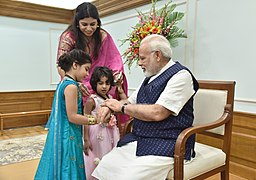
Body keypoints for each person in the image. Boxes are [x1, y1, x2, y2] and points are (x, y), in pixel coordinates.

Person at [92, 34, 199, 180]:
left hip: (169, 142)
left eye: (142, 58)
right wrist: (109, 107)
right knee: (106, 165)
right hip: (142, 138)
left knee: (128, 176)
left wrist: (121, 108)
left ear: (157, 55)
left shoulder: (181, 76)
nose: (140, 63)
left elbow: (158, 112)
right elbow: (129, 101)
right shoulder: (149, 78)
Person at [35, 49, 98, 180]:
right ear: (75, 65)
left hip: (65, 132)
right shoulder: (72, 87)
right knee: (68, 166)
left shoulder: (64, 83)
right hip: (68, 134)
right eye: (86, 69)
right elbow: (73, 116)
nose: (87, 74)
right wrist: (95, 120)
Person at [56, 2, 128, 115]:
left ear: (98, 23)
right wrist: (75, 83)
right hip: (76, 82)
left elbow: (114, 61)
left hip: (98, 82)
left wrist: (116, 76)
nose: (89, 29)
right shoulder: (68, 37)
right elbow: (61, 65)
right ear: (77, 23)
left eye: (93, 24)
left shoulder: (103, 36)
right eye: (84, 24)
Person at [83, 66, 127, 180]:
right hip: (97, 134)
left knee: (110, 155)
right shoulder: (92, 100)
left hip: (111, 133)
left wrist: (120, 89)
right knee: (98, 156)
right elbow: (85, 120)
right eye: (100, 83)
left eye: (107, 83)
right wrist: (86, 139)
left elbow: (125, 101)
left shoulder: (110, 98)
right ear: (94, 83)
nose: (104, 86)